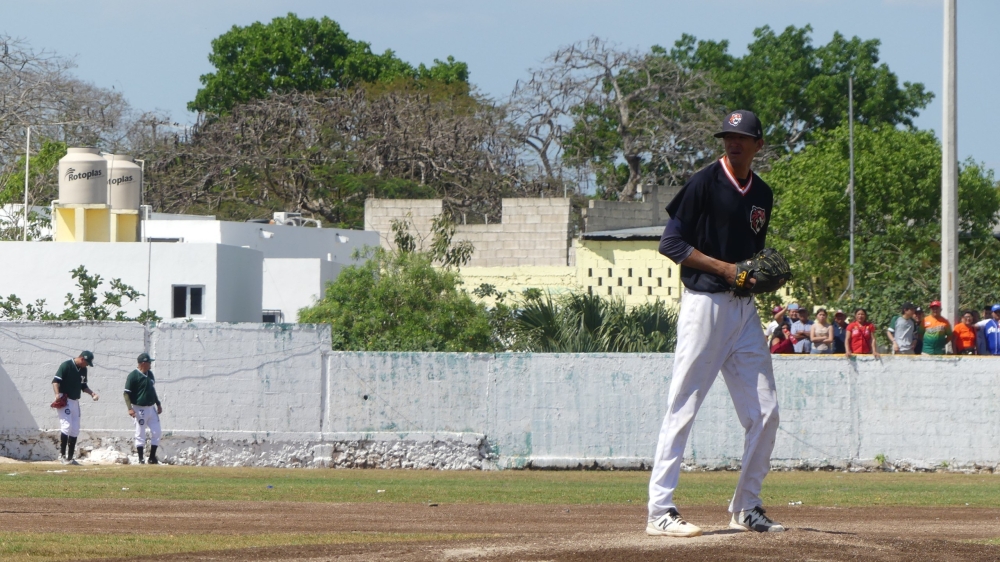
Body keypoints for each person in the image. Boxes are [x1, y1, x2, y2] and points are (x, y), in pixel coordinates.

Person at [649, 109, 784, 537]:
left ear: (758, 145)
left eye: (742, 136)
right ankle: (659, 512)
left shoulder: (762, 193)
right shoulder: (704, 182)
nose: (734, 142)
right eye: (728, 135)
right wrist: (727, 270)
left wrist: (758, 279)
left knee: (766, 411)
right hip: (704, 304)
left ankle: (746, 506)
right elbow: (670, 243)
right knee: (683, 406)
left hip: (743, 312)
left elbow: (752, 261)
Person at [51, 351, 100, 465]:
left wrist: (92, 393)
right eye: (86, 363)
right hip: (65, 398)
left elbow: (83, 386)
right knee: (66, 426)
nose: (87, 365)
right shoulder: (66, 365)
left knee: (75, 429)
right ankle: (62, 456)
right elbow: (55, 381)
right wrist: (57, 394)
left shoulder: (83, 370)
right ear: (82, 359)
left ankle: (70, 458)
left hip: (75, 401)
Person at [124, 352, 163, 464]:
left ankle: (152, 457)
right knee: (140, 433)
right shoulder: (133, 376)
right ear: (144, 363)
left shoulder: (150, 374)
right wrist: (129, 408)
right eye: (149, 362)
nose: (151, 365)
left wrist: (158, 403)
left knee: (157, 432)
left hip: (151, 407)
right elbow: (126, 393)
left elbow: (152, 390)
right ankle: (141, 458)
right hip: (139, 408)